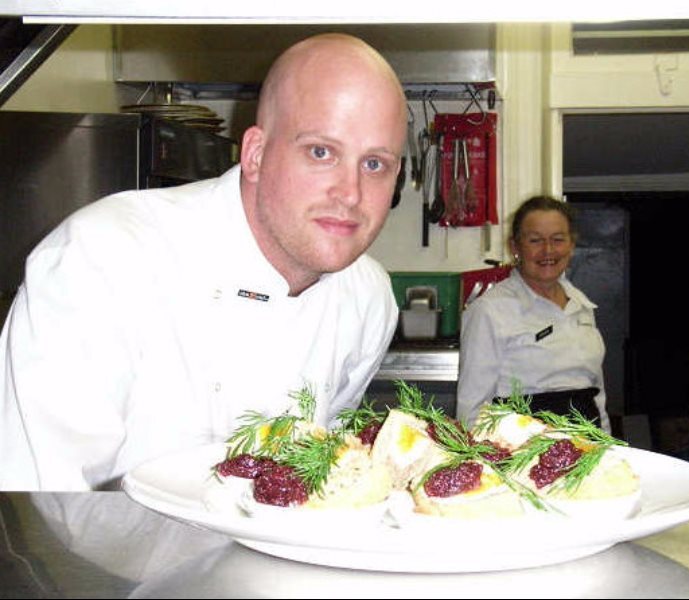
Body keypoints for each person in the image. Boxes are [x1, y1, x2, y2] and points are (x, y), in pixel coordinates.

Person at [0, 33, 408, 490]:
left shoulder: (368, 298)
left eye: (375, 164)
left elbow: (319, 474)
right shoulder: (103, 258)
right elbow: (38, 504)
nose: (350, 193)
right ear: (255, 154)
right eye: (321, 152)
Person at [457, 196, 610, 432]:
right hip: (522, 446)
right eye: (535, 240)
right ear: (515, 247)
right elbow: (472, 410)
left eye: (558, 239)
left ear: (571, 245)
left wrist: (607, 445)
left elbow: (596, 396)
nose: (548, 250)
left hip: (587, 444)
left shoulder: (582, 306)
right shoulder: (489, 311)